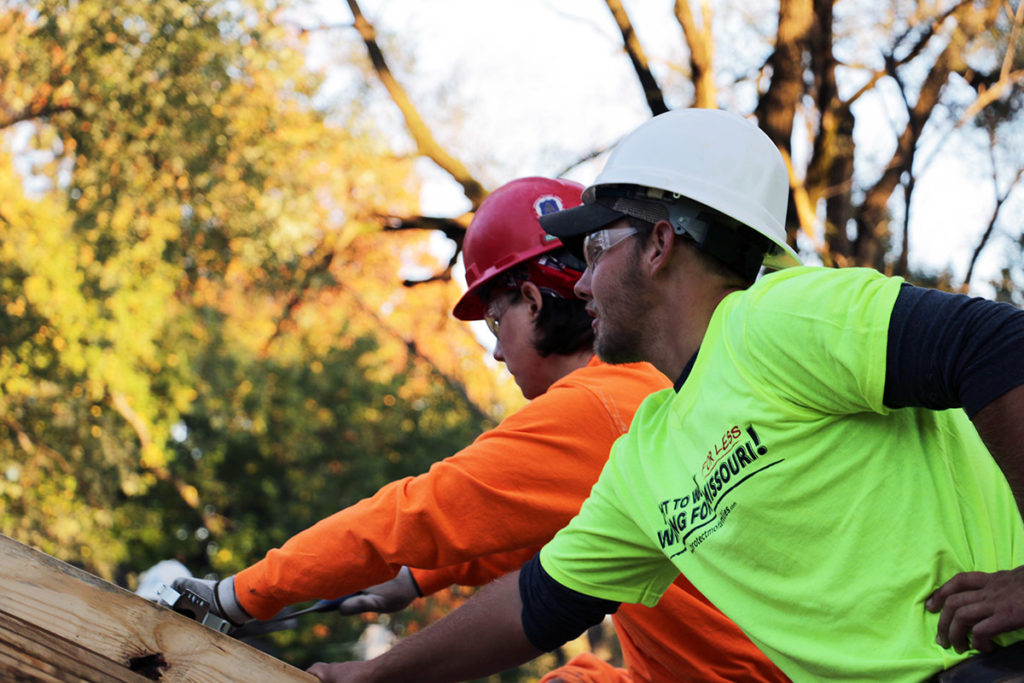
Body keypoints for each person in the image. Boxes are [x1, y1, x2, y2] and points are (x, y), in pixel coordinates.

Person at [305, 109, 1024, 683]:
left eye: (592, 251)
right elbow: (535, 605)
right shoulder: (650, 451)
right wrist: (370, 676)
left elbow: (1001, 347)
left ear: (658, 244)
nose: (579, 284)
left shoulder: (779, 318)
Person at [170, 176, 788, 682]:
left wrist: (237, 596)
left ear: (535, 301)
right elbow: (547, 541)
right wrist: (413, 579)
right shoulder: (645, 396)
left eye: (495, 323)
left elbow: (418, 512)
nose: (495, 354)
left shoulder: (594, 408)